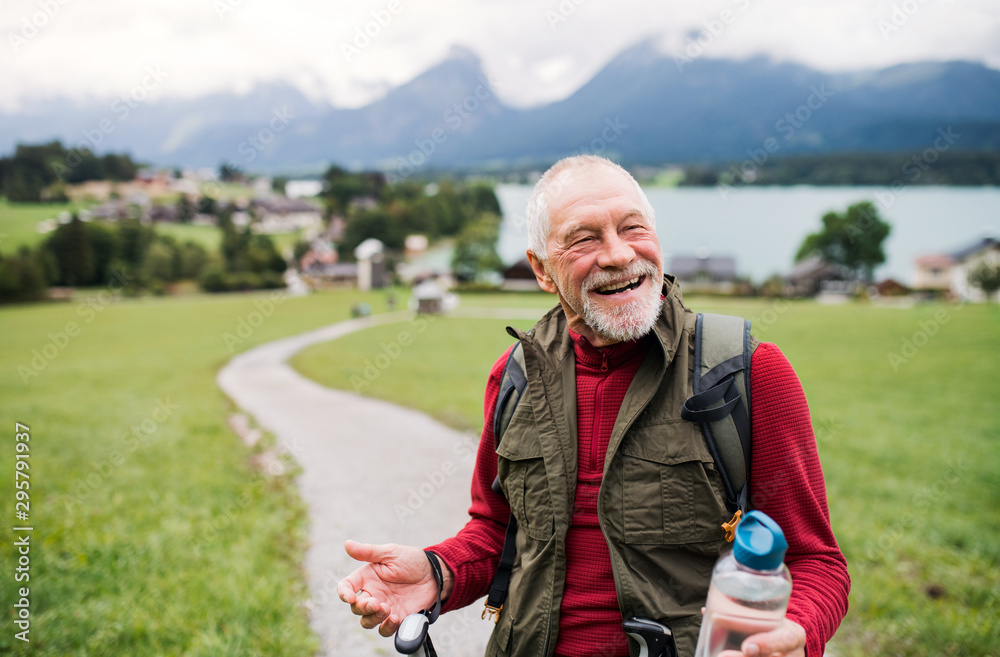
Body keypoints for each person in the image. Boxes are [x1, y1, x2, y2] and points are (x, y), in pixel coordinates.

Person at [337, 155, 850, 657]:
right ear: (541, 269)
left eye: (634, 229)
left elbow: (816, 560)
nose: (620, 255)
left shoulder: (747, 371)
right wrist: (436, 570)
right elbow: (497, 532)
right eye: (585, 238)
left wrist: (797, 632)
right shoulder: (514, 375)